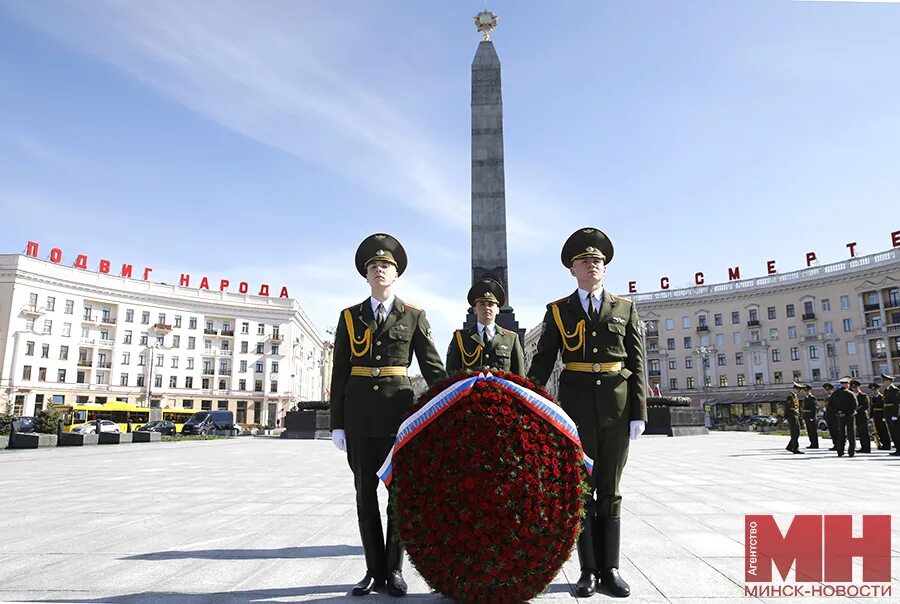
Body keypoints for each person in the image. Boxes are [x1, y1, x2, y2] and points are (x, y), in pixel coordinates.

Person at [527, 227, 646, 598]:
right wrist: (525, 399)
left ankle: (610, 569)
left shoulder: (625, 308)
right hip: (575, 411)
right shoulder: (559, 311)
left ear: (605, 269)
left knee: (610, 489)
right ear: (572, 269)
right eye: (585, 261)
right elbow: (543, 361)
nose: (592, 265)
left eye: (597, 261)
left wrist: (639, 412)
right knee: (581, 491)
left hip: (617, 407)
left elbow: (638, 362)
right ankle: (588, 571)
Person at [329, 233, 448, 597]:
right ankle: (372, 570)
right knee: (365, 495)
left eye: (386, 266)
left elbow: (432, 367)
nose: (379, 269)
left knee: (398, 496)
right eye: (373, 266)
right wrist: (337, 423)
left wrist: (450, 402)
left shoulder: (413, 316)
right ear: (366, 276)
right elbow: (340, 373)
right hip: (360, 417)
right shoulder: (350, 317)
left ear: (396, 275)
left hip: (399, 419)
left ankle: (394, 570)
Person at [445, 278, 525, 376]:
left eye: (491, 304)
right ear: (474, 309)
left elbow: (520, 378)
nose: (487, 308)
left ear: (498, 310)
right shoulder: (461, 338)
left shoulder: (511, 339)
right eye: (482, 304)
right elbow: (451, 374)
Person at [828, 377, 857, 458]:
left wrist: (838, 411)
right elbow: (854, 405)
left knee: (841, 433)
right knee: (851, 433)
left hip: (840, 416)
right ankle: (851, 452)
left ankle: (840, 451)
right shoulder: (851, 394)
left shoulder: (835, 394)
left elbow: (830, 405)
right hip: (849, 416)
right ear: (847, 385)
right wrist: (846, 412)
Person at [850, 379, 871, 454]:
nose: (855, 389)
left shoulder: (863, 395)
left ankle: (867, 448)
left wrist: (857, 410)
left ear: (858, 387)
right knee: (860, 432)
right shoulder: (852, 396)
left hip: (862, 415)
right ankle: (863, 447)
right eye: (853, 388)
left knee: (864, 432)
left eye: (856, 387)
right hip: (855, 416)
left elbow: (865, 406)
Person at [869, 382, 891, 450]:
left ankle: (887, 445)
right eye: (873, 390)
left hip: (881, 415)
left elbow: (884, 407)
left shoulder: (882, 397)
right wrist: (871, 416)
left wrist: (884, 416)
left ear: (878, 389)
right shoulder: (872, 398)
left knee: (884, 430)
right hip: (875, 416)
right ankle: (882, 444)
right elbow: (871, 407)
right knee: (878, 430)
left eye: (876, 390)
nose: (874, 391)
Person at [882, 373, 900, 457]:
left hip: (893, 415)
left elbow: (896, 403)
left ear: (889, 381)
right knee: (892, 433)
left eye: (885, 381)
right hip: (888, 414)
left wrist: (895, 415)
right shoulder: (886, 390)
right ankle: (897, 449)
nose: (884, 382)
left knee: (897, 432)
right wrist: (885, 415)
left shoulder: (895, 390)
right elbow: (885, 404)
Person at [784, 383, 804, 454]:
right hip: (792, 416)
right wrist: (786, 417)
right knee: (794, 432)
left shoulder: (795, 396)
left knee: (797, 432)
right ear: (795, 389)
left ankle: (790, 446)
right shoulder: (790, 397)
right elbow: (787, 407)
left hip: (796, 415)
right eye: (799, 389)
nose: (799, 391)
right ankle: (795, 448)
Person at [801, 384, 819, 449]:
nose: (806, 392)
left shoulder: (812, 398)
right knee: (809, 430)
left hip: (811, 416)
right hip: (806, 416)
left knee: (813, 430)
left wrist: (812, 417)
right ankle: (812, 443)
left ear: (809, 390)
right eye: (805, 391)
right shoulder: (805, 398)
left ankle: (815, 444)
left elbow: (814, 408)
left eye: (807, 391)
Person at [821, 383, 836, 450]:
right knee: (832, 431)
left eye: (829, 390)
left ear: (832, 390)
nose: (828, 391)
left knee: (836, 431)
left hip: (834, 416)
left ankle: (839, 444)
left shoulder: (835, 397)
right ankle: (835, 444)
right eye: (826, 390)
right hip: (828, 416)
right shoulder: (827, 398)